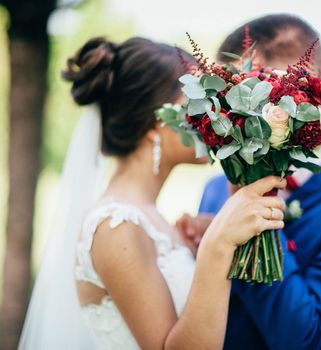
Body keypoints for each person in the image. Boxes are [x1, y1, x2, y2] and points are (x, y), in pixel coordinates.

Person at [19, 36, 287, 350]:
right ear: (154, 120)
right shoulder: (115, 226)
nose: (215, 116)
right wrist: (219, 245)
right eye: (199, 102)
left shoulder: (150, 219)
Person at [177, 14, 321, 350]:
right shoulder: (217, 188)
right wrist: (206, 243)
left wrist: (249, 229)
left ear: (314, 98)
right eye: (226, 101)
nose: (235, 119)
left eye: (254, 99)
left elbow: (311, 340)